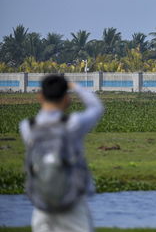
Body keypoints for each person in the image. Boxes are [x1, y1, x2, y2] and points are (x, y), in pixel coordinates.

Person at [20, 75, 104, 232]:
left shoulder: (27, 127)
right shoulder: (74, 124)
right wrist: (75, 86)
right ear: (66, 98)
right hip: (72, 202)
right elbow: (96, 108)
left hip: (42, 204)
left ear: (40, 96)